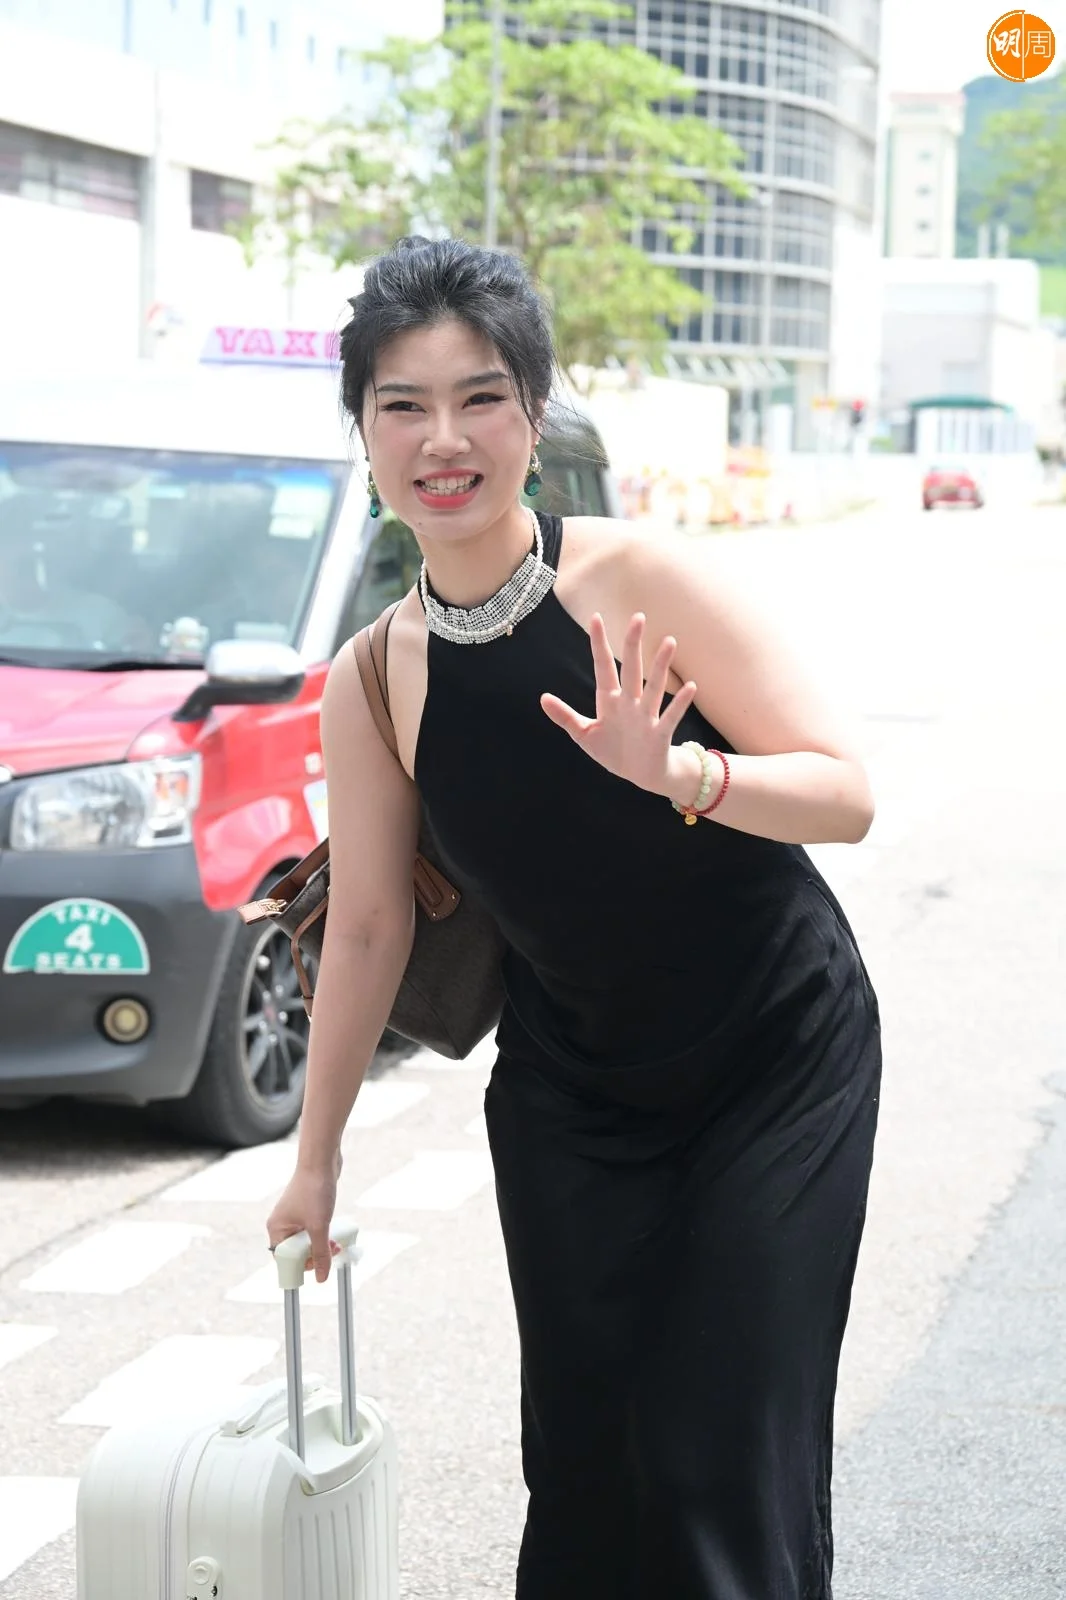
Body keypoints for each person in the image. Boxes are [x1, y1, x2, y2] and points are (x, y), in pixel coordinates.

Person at [266, 235, 881, 1600]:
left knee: (722, 1454)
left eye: (480, 397)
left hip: (774, 1058)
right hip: (572, 1094)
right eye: (403, 405)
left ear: (533, 417)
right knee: (588, 1465)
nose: (444, 439)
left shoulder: (631, 582)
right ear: (364, 432)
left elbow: (844, 797)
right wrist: (315, 1159)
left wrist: (685, 777)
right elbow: (365, 929)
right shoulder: (373, 681)